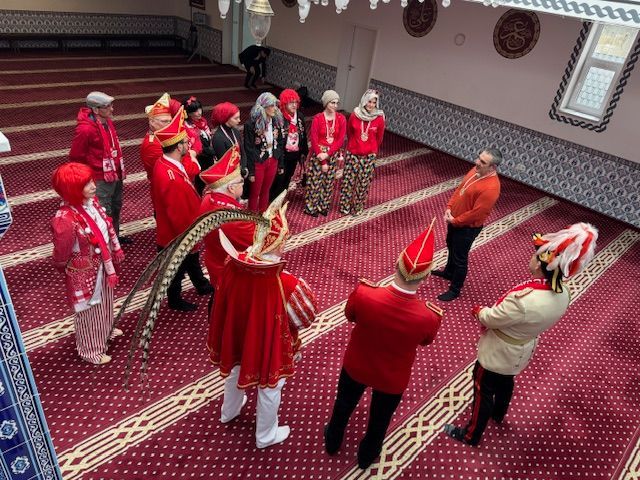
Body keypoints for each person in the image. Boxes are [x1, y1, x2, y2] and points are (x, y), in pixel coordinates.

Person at [444, 222, 598, 446]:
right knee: (506, 381)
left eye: (536, 255)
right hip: (523, 347)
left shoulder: (523, 300)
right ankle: (499, 413)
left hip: (499, 350)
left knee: (482, 389)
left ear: (543, 263)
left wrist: (479, 311)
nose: (531, 257)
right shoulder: (564, 292)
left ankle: (471, 435)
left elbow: (491, 318)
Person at [324, 219, 443, 469]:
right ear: (426, 276)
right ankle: (367, 455)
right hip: (392, 377)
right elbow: (426, 341)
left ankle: (333, 440)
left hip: (356, 365)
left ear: (397, 262)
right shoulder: (429, 316)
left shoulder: (365, 294)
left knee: (343, 404)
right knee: (380, 419)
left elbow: (350, 316)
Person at [207, 191, 318, 448]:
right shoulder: (285, 282)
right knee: (270, 387)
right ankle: (266, 435)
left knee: (234, 370)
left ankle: (229, 411)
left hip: (237, 334)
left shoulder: (233, 262)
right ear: (276, 243)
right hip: (267, 342)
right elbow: (306, 316)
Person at [51, 162, 125, 365]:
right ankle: (90, 350)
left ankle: (106, 330)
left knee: (105, 301)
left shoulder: (92, 203)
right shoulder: (65, 218)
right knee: (88, 311)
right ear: (72, 189)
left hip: (102, 262)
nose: (94, 185)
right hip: (84, 270)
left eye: (92, 181)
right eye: (86, 184)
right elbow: (61, 255)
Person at [151, 106, 213, 312]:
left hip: (181, 229)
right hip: (177, 233)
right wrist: (188, 237)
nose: (189, 144)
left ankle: (201, 284)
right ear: (178, 147)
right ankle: (175, 300)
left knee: (191, 261)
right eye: (186, 142)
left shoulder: (168, 164)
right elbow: (176, 213)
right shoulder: (170, 177)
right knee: (175, 268)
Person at [432, 149, 502, 301]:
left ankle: (455, 289)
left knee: (460, 258)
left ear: (493, 167)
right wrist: (449, 207)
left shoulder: (491, 188)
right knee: (450, 246)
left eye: (483, 162)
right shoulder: (475, 170)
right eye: (478, 158)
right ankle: (448, 273)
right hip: (454, 220)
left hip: (467, 229)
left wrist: (455, 221)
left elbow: (476, 214)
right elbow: (460, 189)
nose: (477, 162)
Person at [68, 91, 130, 244]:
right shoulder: (85, 129)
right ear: (96, 110)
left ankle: (114, 237)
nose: (112, 109)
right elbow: (76, 156)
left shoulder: (106, 121)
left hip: (114, 173)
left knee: (116, 206)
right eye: (107, 106)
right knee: (103, 210)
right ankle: (104, 243)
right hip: (99, 177)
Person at [198, 145, 255, 290]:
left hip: (214, 260)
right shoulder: (233, 219)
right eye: (241, 181)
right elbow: (258, 238)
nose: (243, 183)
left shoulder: (208, 197)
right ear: (231, 188)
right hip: (231, 272)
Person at [339, 89, 385, 216]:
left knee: (363, 183)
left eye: (374, 102)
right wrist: (354, 146)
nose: (371, 105)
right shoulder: (355, 115)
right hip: (353, 153)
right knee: (348, 181)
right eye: (369, 101)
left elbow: (379, 138)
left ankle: (357, 207)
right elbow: (350, 133)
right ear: (364, 101)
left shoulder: (379, 118)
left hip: (369, 156)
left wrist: (372, 150)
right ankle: (344, 206)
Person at [305, 90, 346, 217]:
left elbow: (340, 140)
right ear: (326, 103)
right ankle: (311, 207)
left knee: (328, 182)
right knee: (315, 181)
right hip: (318, 154)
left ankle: (323, 206)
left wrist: (328, 154)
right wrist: (322, 160)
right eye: (332, 102)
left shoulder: (341, 118)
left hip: (332, 153)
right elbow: (314, 139)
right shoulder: (318, 118)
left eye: (337, 103)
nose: (335, 105)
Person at [243, 92, 285, 213]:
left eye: (275, 105)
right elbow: (249, 148)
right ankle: (251, 218)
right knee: (255, 192)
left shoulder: (276, 121)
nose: (275, 108)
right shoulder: (251, 124)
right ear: (262, 107)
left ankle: (262, 215)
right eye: (272, 105)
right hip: (258, 162)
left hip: (273, 160)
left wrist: (280, 163)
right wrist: (251, 171)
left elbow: (280, 142)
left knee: (266, 190)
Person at [270, 89, 309, 201]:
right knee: (278, 179)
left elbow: (303, 135)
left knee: (288, 176)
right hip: (281, 154)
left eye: (295, 102)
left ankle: (281, 198)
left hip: (295, 153)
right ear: (284, 103)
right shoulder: (278, 117)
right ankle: (272, 200)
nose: (294, 105)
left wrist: (303, 152)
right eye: (290, 102)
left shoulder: (299, 116)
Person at [209, 102, 247, 195]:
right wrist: (238, 172)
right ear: (226, 118)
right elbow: (224, 162)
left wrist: (243, 168)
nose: (239, 120)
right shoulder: (218, 137)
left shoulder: (235, 131)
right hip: (228, 178)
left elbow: (242, 151)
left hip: (239, 172)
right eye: (236, 118)